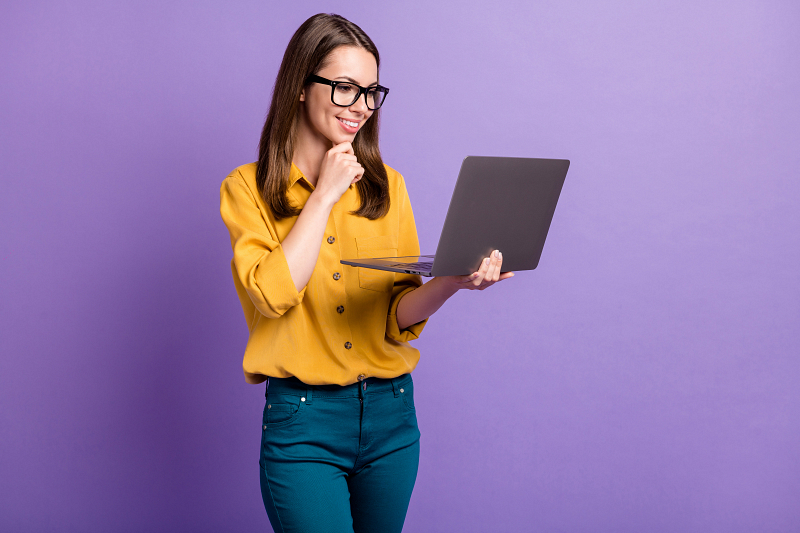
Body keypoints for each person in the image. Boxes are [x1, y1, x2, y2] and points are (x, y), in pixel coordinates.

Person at [219, 13, 514, 533]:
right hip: (304, 421)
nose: (360, 107)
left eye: (370, 91)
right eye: (344, 88)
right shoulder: (246, 189)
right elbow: (272, 295)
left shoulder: (388, 186)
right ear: (299, 88)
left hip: (391, 416)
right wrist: (326, 192)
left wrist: (452, 282)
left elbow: (395, 314)